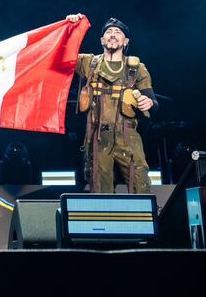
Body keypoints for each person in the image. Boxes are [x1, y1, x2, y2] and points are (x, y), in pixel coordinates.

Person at [66, 14, 158, 193]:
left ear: (126, 41)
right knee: (101, 193)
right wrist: (71, 28)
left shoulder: (137, 68)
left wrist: (149, 103)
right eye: (109, 32)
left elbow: (154, 104)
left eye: (118, 32)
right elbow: (63, 54)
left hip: (128, 137)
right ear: (102, 40)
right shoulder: (88, 63)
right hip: (98, 138)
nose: (113, 35)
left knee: (140, 188)